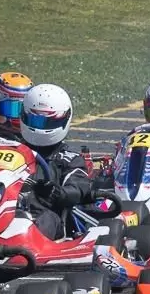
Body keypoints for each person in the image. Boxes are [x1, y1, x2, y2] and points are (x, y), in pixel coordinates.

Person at [17, 83, 97, 235]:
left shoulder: (70, 160)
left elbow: (79, 189)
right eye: (35, 121)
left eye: (48, 122)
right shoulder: (12, 152)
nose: (39, 129)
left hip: (42, 218)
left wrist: (57, 193)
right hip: (5, 212)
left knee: (47, 219)